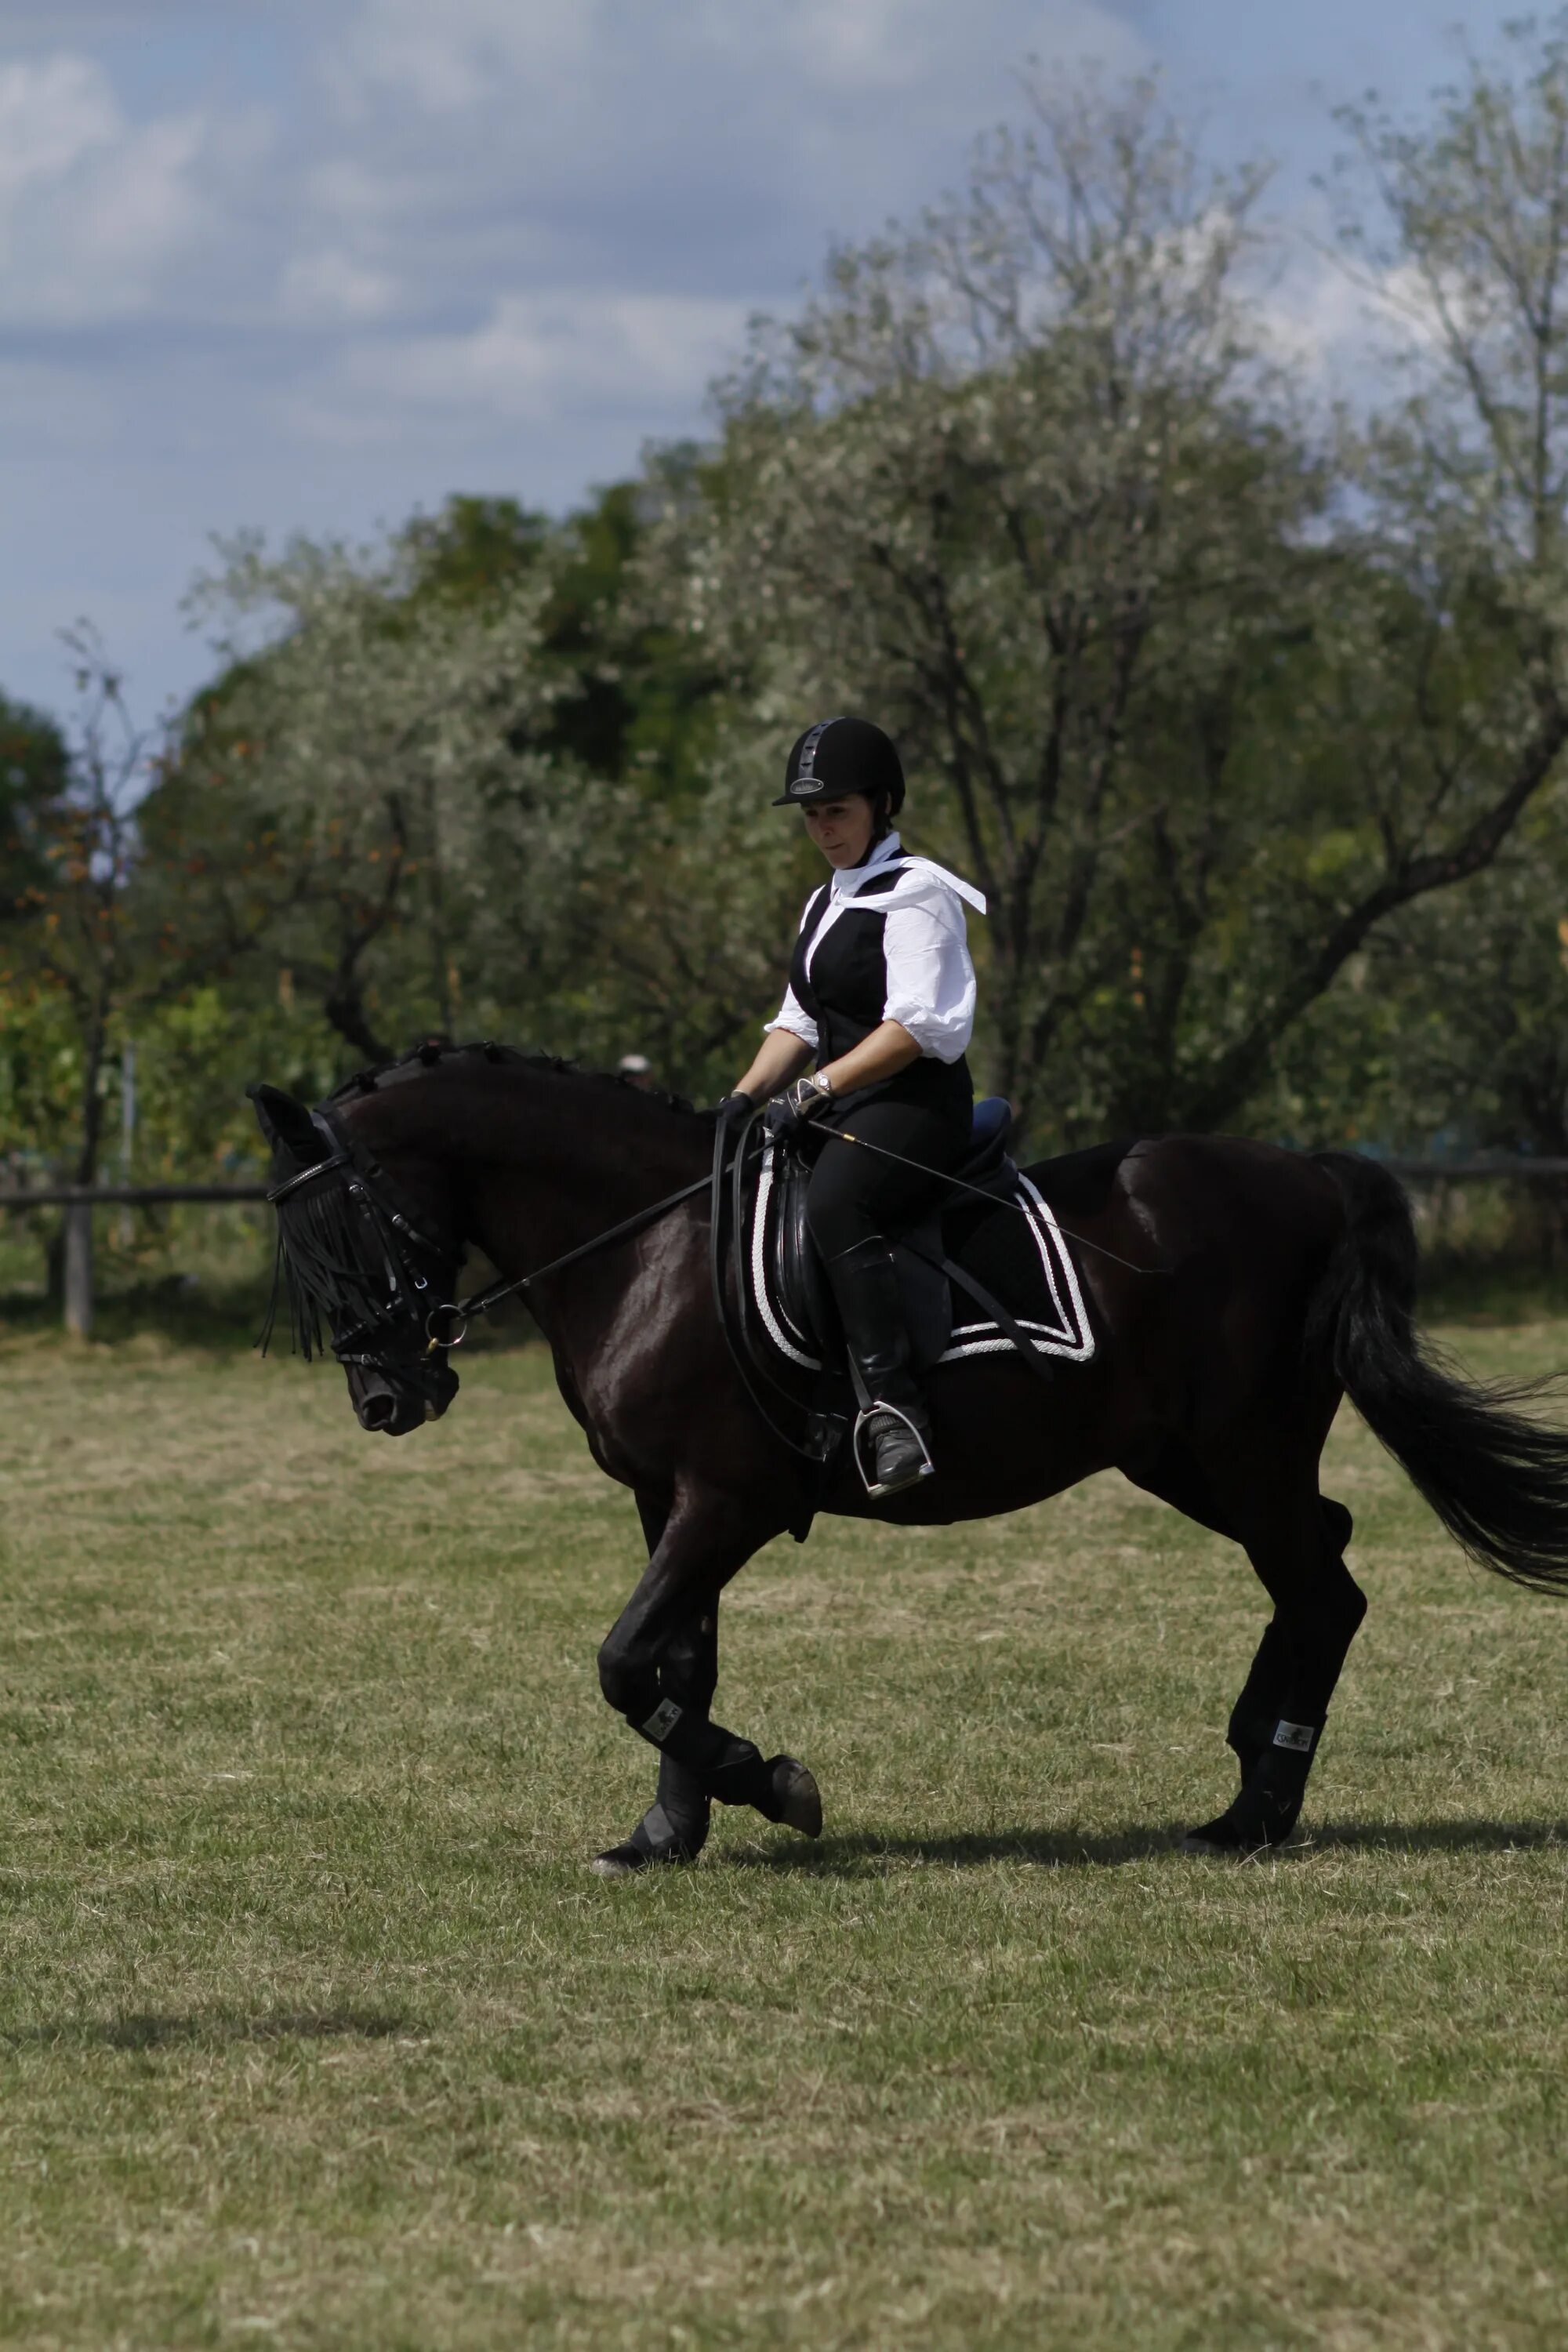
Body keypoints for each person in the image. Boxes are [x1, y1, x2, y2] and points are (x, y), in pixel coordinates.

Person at [722, 716, 985, 1497]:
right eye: (810, 815)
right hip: (840, 1105)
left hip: (913, 1103)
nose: (821, 828)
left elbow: (910, 1028)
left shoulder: (917, 895)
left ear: (879, 804)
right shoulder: (825, 900)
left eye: (835, 811)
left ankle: (894, 1412)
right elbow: (796, 1022)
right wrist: (739, 1100)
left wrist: (815, 1088)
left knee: (835, 1201)